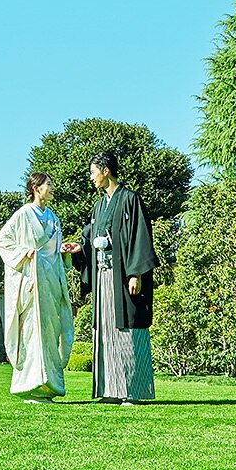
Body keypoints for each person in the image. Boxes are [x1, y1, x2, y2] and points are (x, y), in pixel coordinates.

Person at [62, 150, 159, 405]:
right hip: (103, 275)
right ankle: (110, 391)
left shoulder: (130, 199)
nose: (91, 178)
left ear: (106, 171)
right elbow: (91, 235)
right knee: (104, 329)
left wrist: (136, 272)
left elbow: (139, 235)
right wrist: (79, 248)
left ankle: (132, 391)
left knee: (126, 328)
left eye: (93, 172)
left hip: (124, 276)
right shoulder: (99, 205)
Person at [0, 171, 74, 401]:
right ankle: (29, 385)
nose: (51, 188)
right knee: (31, 333)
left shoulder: (53, 218)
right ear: (36, 188)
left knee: (50, 333)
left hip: (50, 284)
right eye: (48, 185)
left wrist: (62, 252)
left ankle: (50, 386)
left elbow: (52, 252)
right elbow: (2, 239)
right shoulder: (22, 215)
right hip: (31, 285)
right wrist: (24, 253)